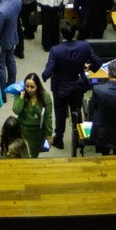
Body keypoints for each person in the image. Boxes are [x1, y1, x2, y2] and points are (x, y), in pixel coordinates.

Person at [43, 23, 101, 151]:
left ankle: (59, 139)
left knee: (60, 114)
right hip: (77, 85)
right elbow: (97, 62)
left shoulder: (55, 50)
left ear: (62, 34)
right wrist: (90, 67)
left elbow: (48, 71)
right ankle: (82, 139)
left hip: (60, 87)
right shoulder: (84, 46)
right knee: (78, 111)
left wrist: (44, 75)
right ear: (74, 33)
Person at [12, 72, 54, 157]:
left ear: (38, 86)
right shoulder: (20, 93)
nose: (29, 90)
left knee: (33, 155)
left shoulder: (45, 96)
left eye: (32, 87)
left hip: (36, 133)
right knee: (21, 154)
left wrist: (49, 134)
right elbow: (16, 110)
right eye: (27, 86)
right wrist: (21, 97)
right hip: (22, 131)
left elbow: (48, 116)